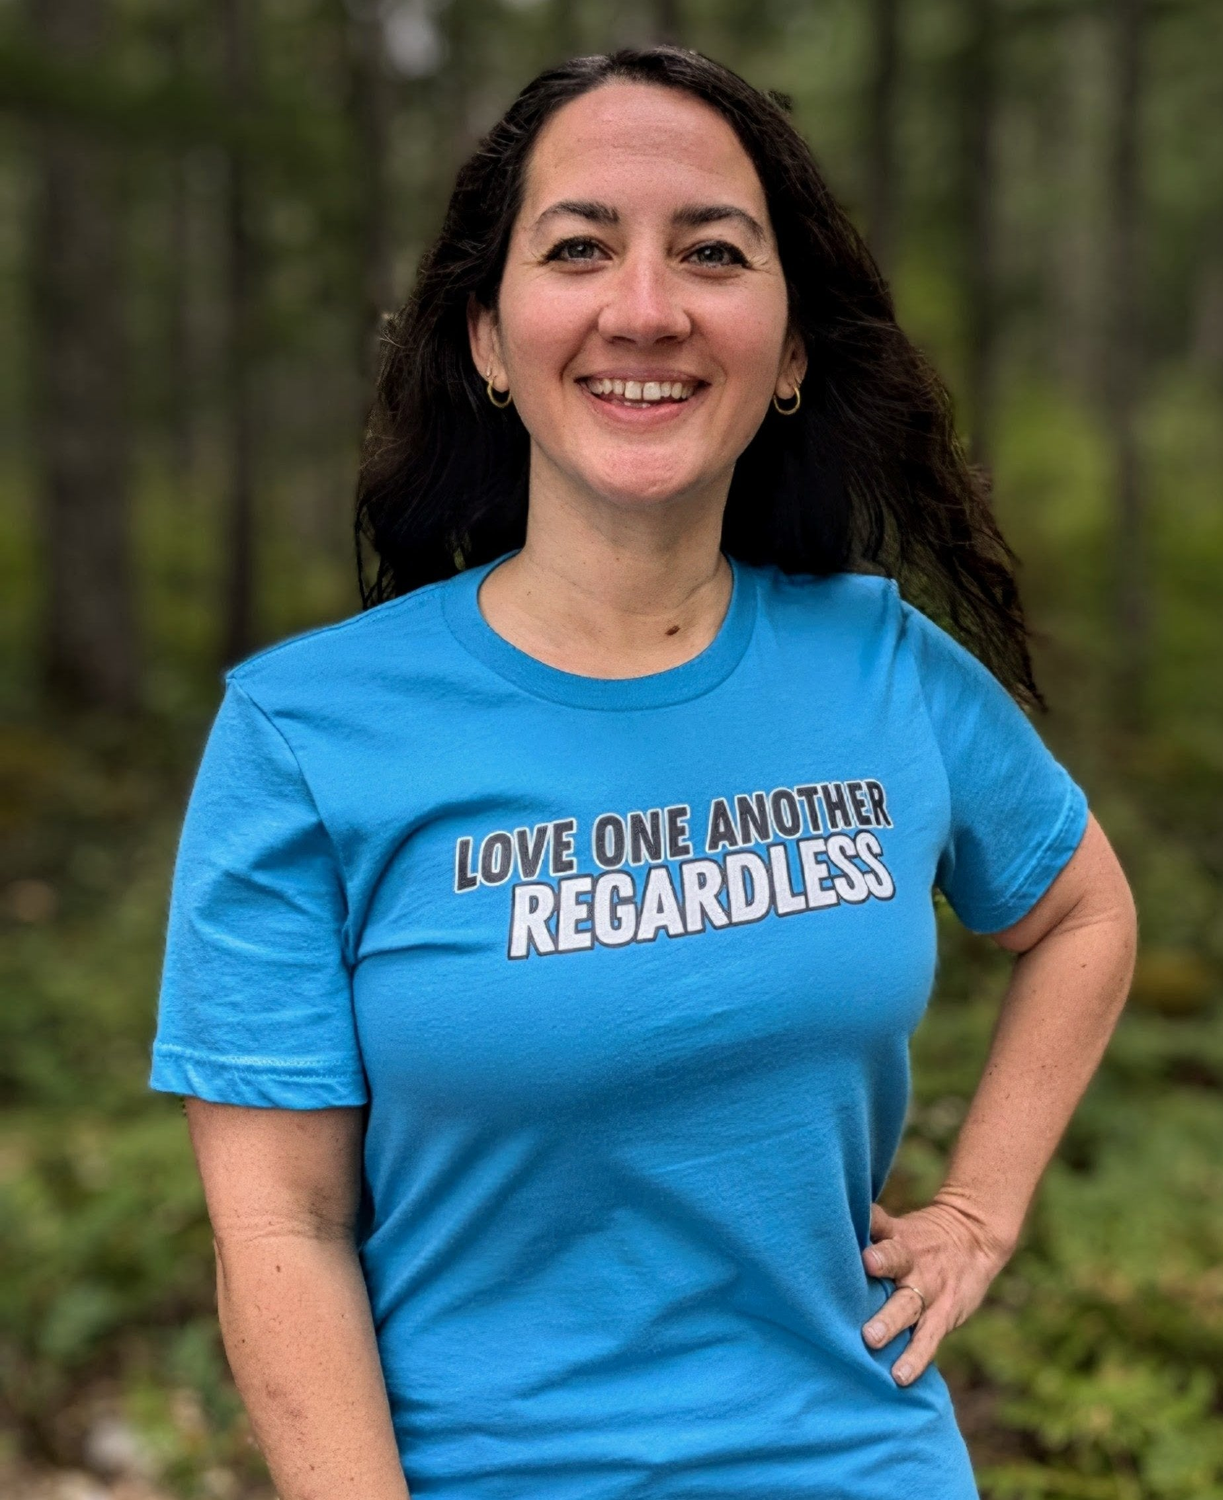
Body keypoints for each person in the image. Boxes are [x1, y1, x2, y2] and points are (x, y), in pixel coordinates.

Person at [149, 44, 1136, 1500]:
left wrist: (979, 1212)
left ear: (789, 348)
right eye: (580, 247)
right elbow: (282, 1226)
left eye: (715, 253)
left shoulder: (885, 668)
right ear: (489, 337)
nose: (648, 309)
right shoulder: (309, 736)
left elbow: (1082, 913)